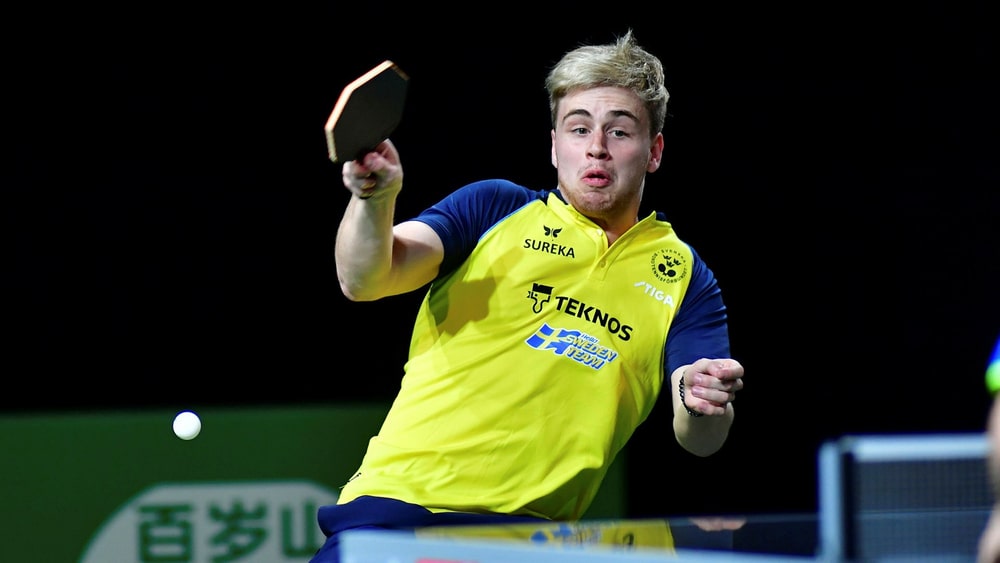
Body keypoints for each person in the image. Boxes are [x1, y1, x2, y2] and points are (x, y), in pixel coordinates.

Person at [310, 29, 745, 562]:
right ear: (554, 145)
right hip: (406, 514)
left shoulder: (685, 275)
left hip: (538, 543)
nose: (597, 147)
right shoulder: (495, 209)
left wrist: (702, 400)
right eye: (578, 128)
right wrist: (376, 200)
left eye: (619, 131)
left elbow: (701, 437)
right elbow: (366, 279)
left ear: (653, 151)